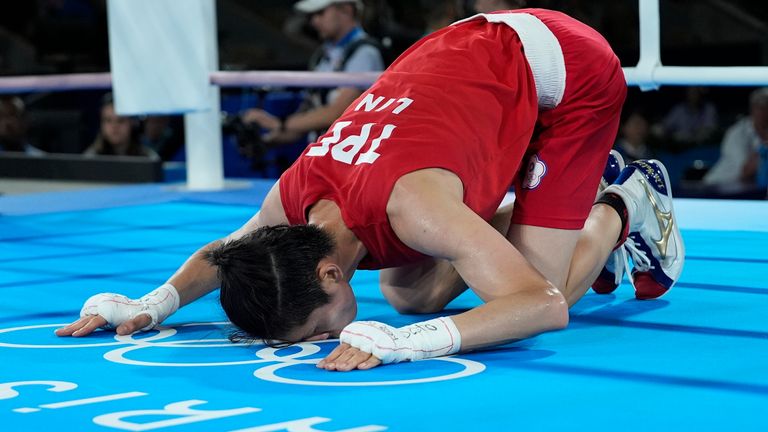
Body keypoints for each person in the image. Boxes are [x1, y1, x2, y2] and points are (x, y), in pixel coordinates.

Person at [56, 9, 684, 372]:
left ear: (330, 275)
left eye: (316, 331)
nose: (325, 341)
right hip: (465, 53)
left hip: (567, 68)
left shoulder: (414, 207)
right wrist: (155, 303)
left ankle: (624, 203)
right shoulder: (293, 202)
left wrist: (410, 345)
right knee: (410, 291)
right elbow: (227, 252)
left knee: (548, 286)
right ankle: (533, 213)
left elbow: (542, 306)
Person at [241, 0, 385, 144]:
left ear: (346, 10)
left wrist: (280, 124)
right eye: (311, 16)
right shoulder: (323, 55)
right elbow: (311, 111)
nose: (314, 22)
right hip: (326, 153)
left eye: (320, 13)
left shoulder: (365, 53)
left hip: (353, 155)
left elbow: (338, 112)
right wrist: (269, 138)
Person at [703, 87, 768, 188]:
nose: (765, 112)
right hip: (716, 188)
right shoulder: (737, 133)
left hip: (748, 191)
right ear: (752, 108)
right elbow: (745, 171)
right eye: (761, 107)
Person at [83, 93, 159, 159]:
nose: (114, 126)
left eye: (120, 121)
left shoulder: (148, 158)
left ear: (132, 123)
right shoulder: (91, 158)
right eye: (108, 120)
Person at [654, 86, 719, 148]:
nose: (693, 95)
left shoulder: (709, 108)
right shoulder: (679, 109)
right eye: (691, 92)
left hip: (702, 147)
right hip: (680, 149)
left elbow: (709, 130)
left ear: (701, 94)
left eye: (696, 92)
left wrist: (691, 137)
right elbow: (665, 127)